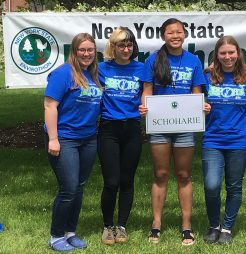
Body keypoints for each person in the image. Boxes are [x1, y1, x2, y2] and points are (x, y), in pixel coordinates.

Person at [139, 18, 209, 246]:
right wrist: (144, 106)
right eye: (171, 33)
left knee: (184, 175)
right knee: (160, 174)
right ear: (163, 36)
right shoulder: (152, 60)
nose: (175, 36)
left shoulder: (193, 61)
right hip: (159, 124)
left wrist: (202, 105)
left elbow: (197, 92)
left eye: (179, 32)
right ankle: (156, 224)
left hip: (185, 125)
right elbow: (147, 91)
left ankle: (186, 227)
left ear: (184, 35)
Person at [44, 33, 102, 252]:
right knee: (68, 188)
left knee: (78, 187)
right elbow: (50, 106)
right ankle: (56, 236)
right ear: (74, 51)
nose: (86, 54)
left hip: (88, 138)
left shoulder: (95, 74)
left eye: (90, 50)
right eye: (82, 50)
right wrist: (53, 138)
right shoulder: (63, 74)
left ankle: (70, 232)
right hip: (64, 138)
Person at [201, 36, 246, 244]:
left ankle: (227, 228)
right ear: (216, 55)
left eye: (231, 52)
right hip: (213, 139)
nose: (228, 57)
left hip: (240, 140)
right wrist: (200, 108)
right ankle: (214, 225)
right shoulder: (207, 76)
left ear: (238, 54)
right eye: (223, 53)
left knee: (234, 187)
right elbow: (191, 101)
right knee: (212, 185)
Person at [97, 27, 144, 245]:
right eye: (121, 45)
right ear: (112, 47)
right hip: (109, 130)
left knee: (127, 180)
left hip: (133, 129)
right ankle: (107, 226)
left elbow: (157, 89)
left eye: (129, 45)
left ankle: (122, 226)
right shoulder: (101, 69)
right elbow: (77, 77)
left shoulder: (142, 69)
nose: (126, 49)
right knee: (111, 182)